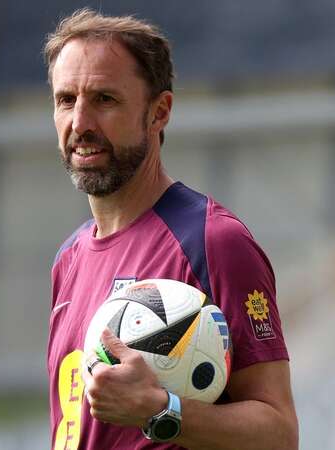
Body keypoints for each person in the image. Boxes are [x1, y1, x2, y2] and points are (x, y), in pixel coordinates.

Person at [45, 8, 298, 450]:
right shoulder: (69, 259)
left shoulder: (213, 242)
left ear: (159, 112)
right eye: (67, 100)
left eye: (104, 99)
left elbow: (279, 434)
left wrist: (161, 410)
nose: (80, 123)